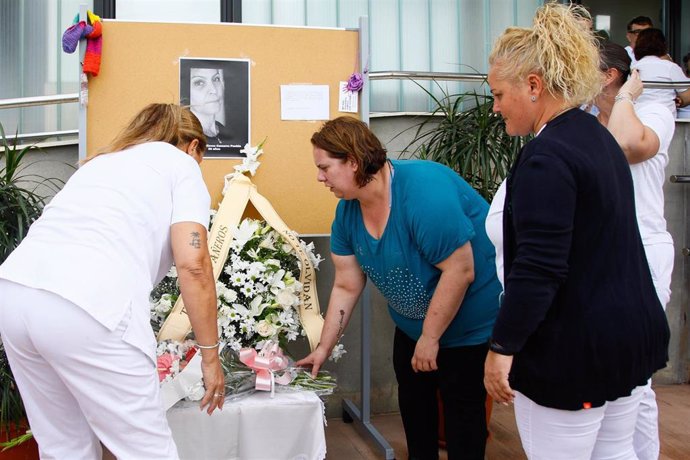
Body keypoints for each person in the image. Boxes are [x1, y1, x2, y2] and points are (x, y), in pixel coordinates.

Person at [483, 3, 670, 459]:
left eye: (498, 94)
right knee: (615, 452)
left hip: (576, 351)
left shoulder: (548, 157)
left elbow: (538, 268)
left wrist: (503, 348)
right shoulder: (598, 140)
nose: (495, 108)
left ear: (533, 85)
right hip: (627, 339)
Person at [0, 103, 225, 459]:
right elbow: (194, 264)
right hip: (87, 304)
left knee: (64, 446)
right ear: (193, 146)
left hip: (15, 293)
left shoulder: (101, 162)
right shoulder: (180, 164)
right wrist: (210, 356)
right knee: (147, 451)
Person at [297, 116, 501, 459]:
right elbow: (347, 285)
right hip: (412, 324)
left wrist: (432, 337)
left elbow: (460, 270)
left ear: (353, 161)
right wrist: (323, 347)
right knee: (414, 407)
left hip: (467, 325)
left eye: (324, 167)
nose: (319, 177)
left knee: (461, 417)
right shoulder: (347, 213)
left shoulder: (424, 193)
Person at [595, 42, 676, 460]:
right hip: (602, 250)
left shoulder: (655, 113)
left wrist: (627, 95)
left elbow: (626, 146)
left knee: (637, 375)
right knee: (610, 369)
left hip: (646, 248)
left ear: (609, 74)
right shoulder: (587, 119)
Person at [633, 28, 690, 116]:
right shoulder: (670, 67)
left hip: (639, 116)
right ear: (663, 45)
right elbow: (687, 96)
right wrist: (680, 101)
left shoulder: (634, 68)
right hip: (664, 118)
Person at [189, 67, 231, 145]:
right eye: (199, 83)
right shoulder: (186, 136)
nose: (214, 90)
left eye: (216, 79)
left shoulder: (226, 132)